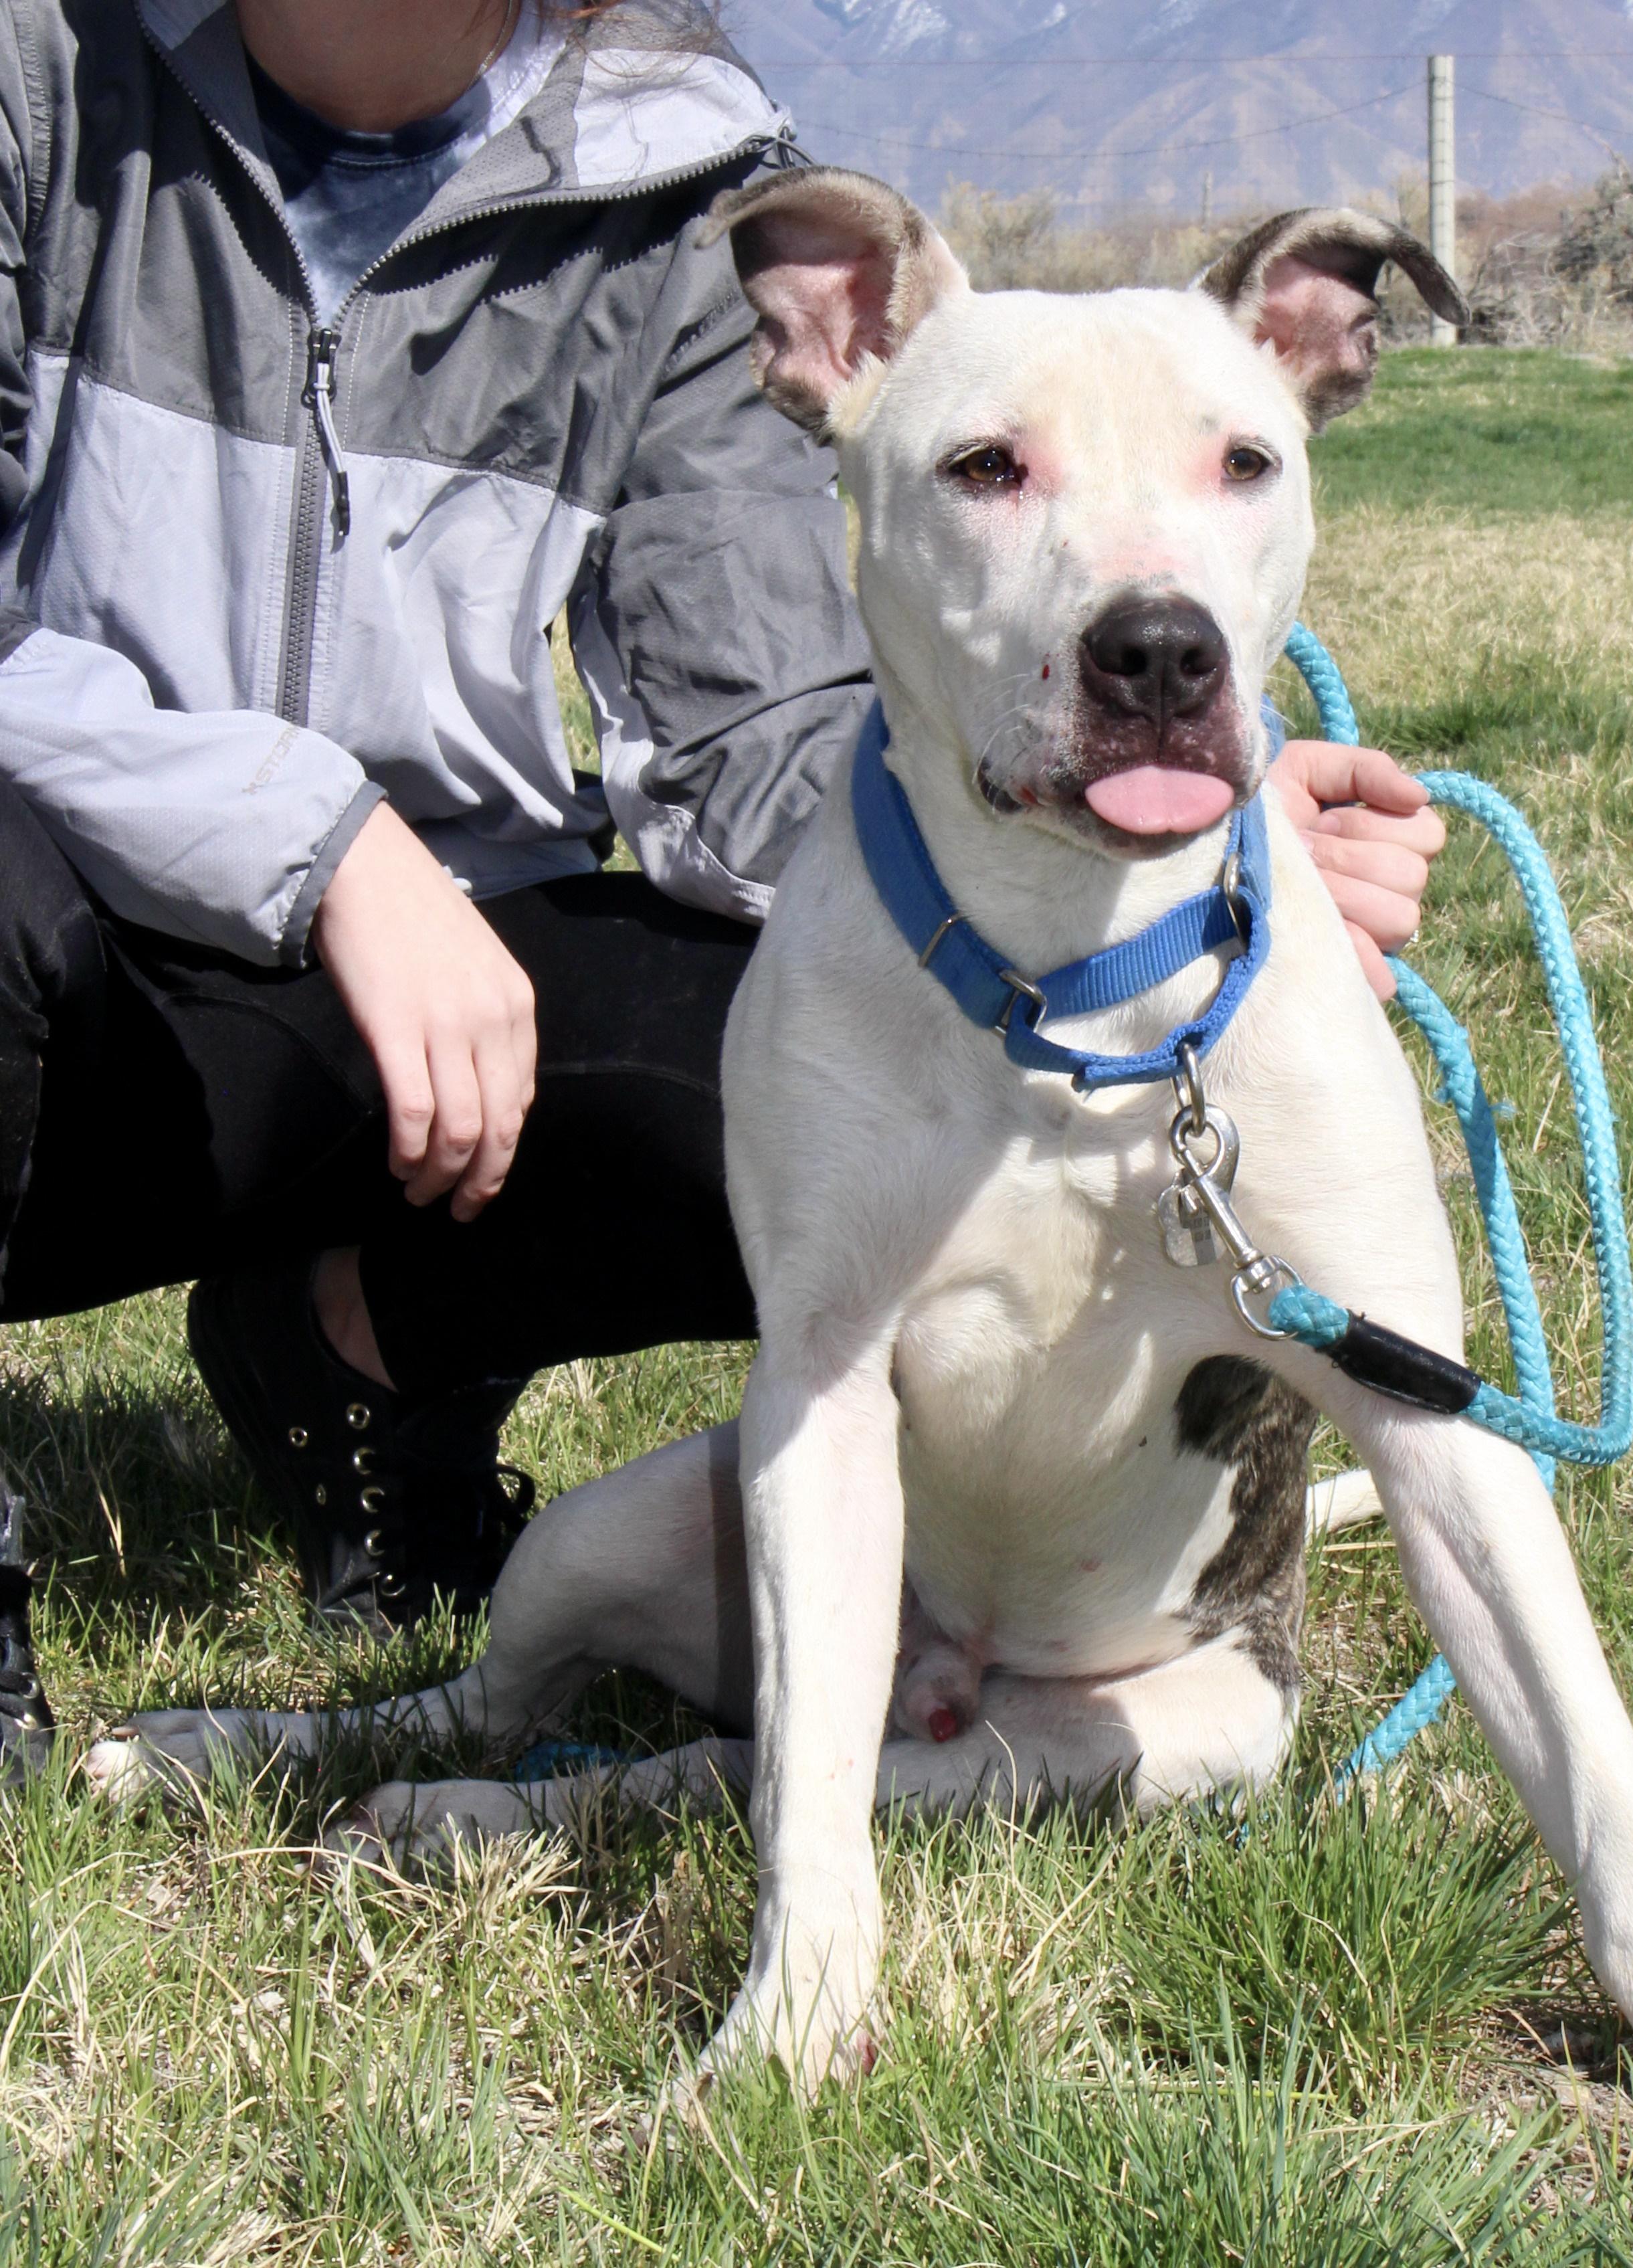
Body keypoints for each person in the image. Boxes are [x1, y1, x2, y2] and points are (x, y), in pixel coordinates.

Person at [0, 0, 1446, 1771]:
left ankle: (348, 1357)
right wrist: (324, 841)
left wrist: (1138, 809)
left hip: (430, 985)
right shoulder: (35, 68)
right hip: (58, 906)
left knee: (804, 1058)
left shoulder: (683, 195)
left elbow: (767, 742)